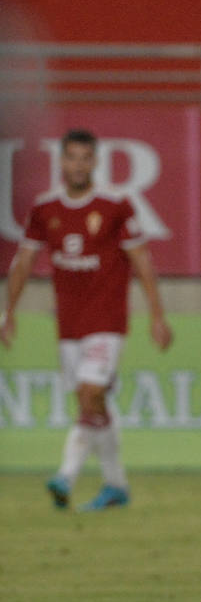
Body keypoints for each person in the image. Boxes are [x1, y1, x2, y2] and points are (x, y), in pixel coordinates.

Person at [1, 129, 174, 511]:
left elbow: (142, 259)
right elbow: (24, 262)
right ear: (61, 162)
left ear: (95, 162)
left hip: (107, 319)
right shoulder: (45, 210)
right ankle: (116, 486)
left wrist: (157, 315)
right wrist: (7, 312)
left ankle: (65, 475)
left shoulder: (116, 206)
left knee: (89, 393)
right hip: (69, 324)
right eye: (71, 158)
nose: (78, 165)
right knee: (93, 406)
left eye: (85, 158)